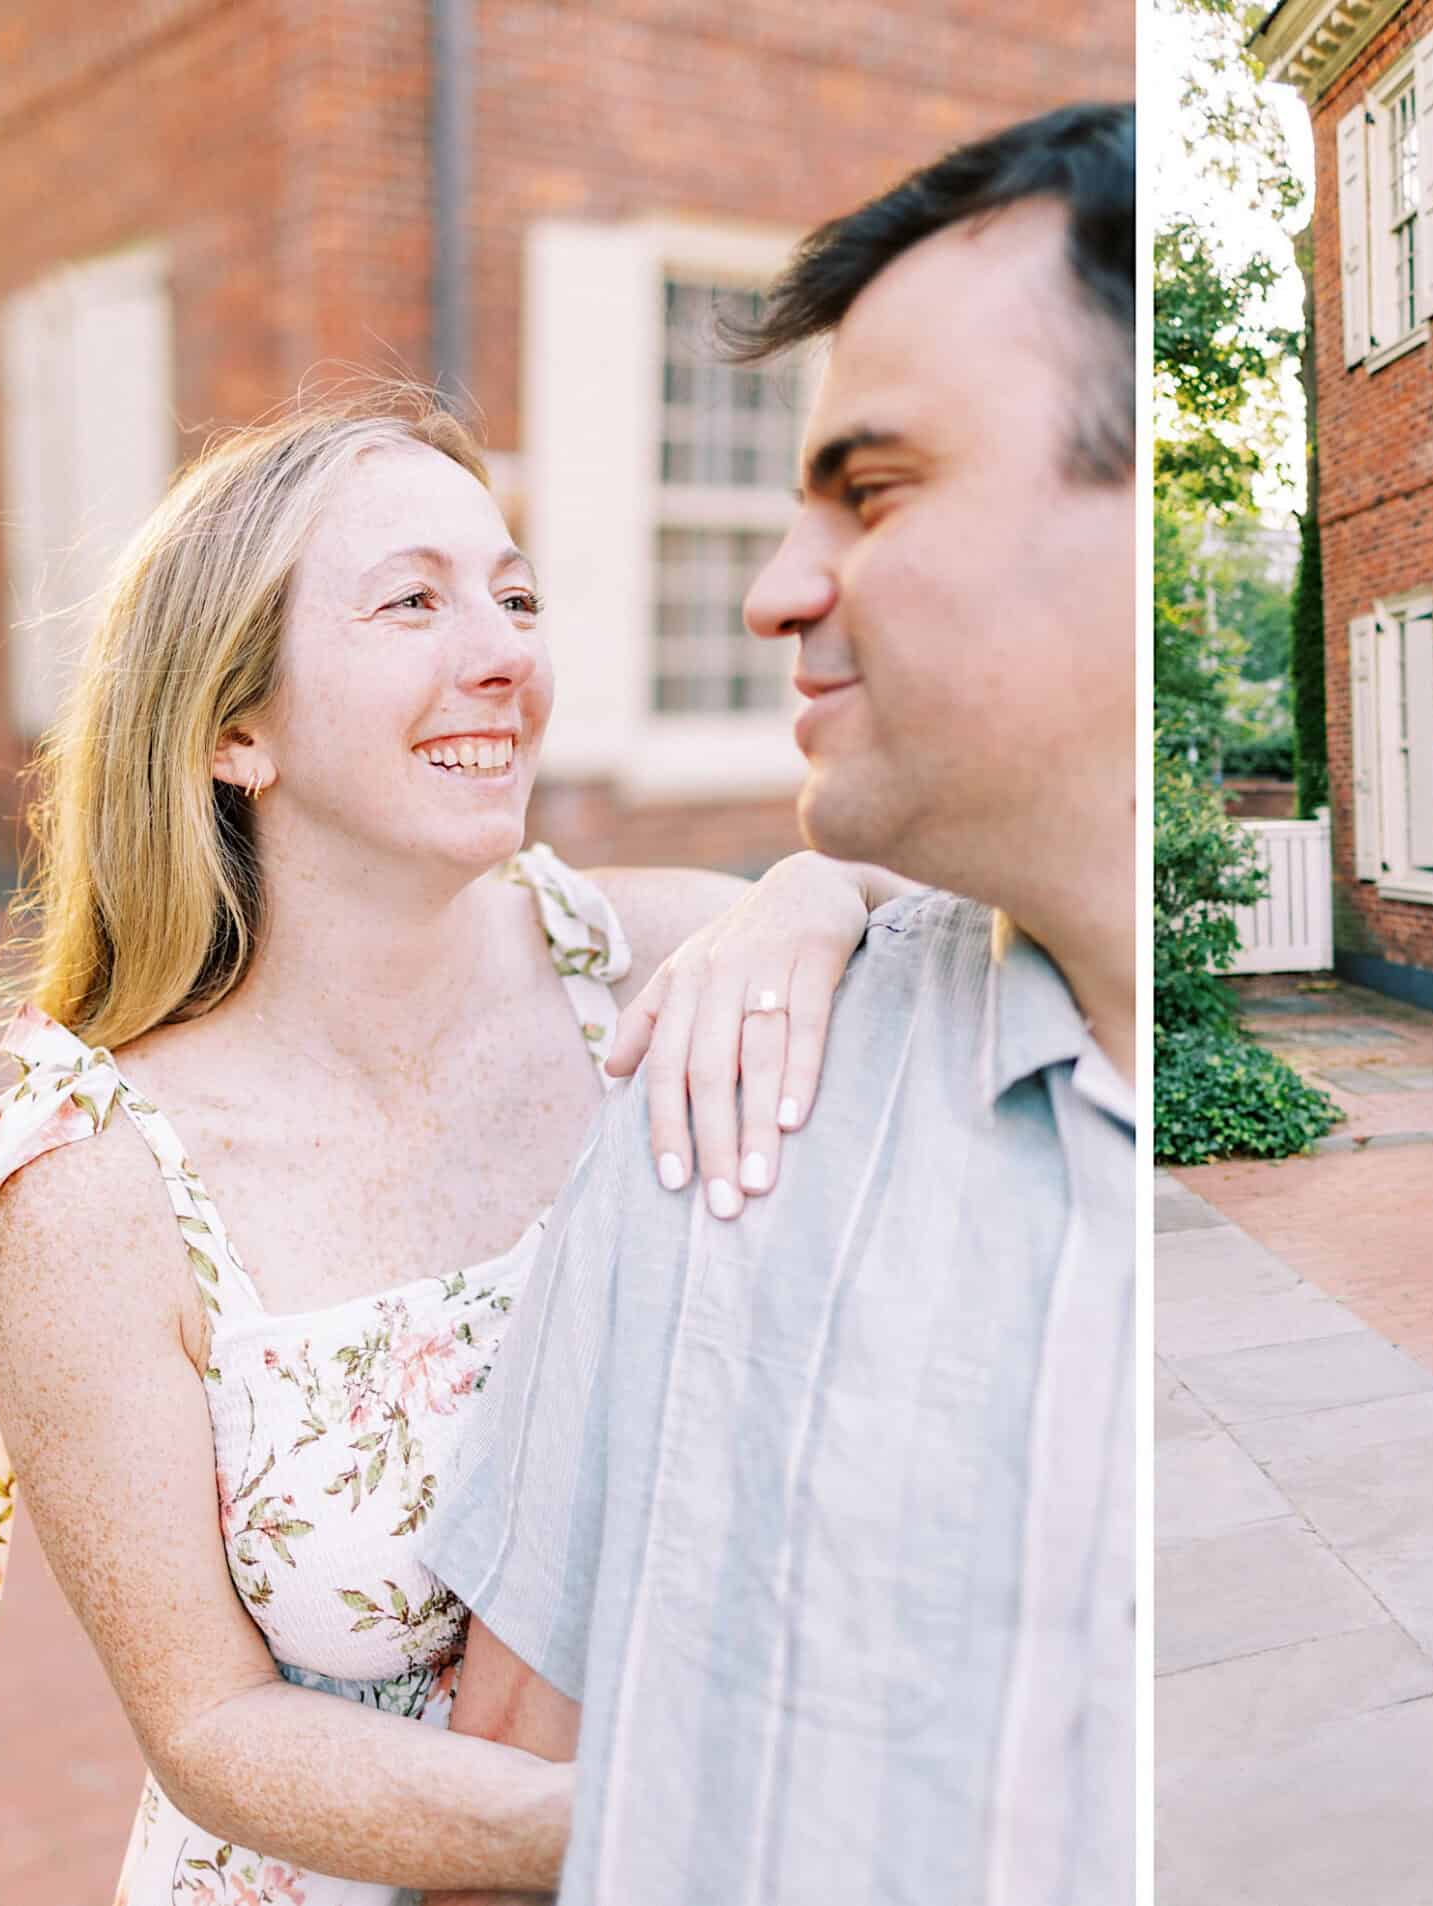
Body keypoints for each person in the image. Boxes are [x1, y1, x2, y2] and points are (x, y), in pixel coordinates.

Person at [0, 391, 899, 1903]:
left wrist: (820, 894)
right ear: (236, 726)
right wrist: (639, 1826)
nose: (505, 651)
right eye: (414, 601)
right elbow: (210, 1724)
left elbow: (972, 907)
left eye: (514, 595)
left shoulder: (653, 969)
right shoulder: (93, 1191)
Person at [422, 101, 1138, 1905]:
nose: (769, 590)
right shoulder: (728, 1114)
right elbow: (511, 1764)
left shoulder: (732, 985)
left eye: (873, 490)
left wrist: (810, 889)